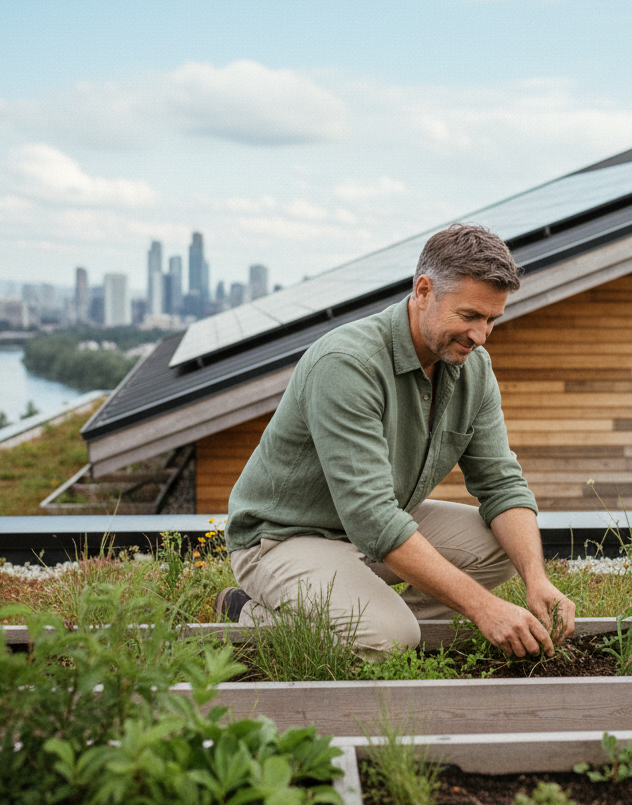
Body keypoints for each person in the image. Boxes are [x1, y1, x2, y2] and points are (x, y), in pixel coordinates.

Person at [216, 223, 576, 660]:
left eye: (491, 320)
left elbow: (502, 484)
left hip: (375, 528)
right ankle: (252, 614)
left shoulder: (473, 368)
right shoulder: (347, 364)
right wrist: (483, 607)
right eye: (469, 316)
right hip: (286, 536)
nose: (480, 336)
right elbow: (371, 516)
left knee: (505, 550)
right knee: (389, 639)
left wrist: (537, 580)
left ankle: (375, 627)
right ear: (424, 291)